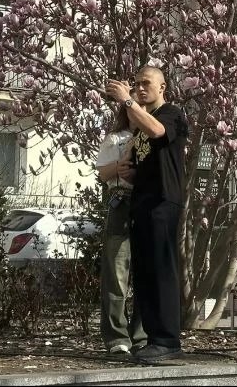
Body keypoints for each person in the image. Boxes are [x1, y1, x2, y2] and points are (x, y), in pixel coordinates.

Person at [107, 66, 189, 363]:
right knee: (144, 274)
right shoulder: (140, 125)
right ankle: (155, 339)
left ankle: (168, 340)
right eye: (136, 84)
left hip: (163, 202)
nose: (140, 88)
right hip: (142, 204)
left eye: (146, 83)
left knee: (161, 270)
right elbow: (147, 159)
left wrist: (126, 100)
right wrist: (130, 173)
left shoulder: (171, 114)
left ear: (162, 87)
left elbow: (157, 131)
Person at [94, 107, 147, 355]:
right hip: (122, 202)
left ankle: (142, 335)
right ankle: (116, 336)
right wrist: (120, 165)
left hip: (146, 204)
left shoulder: (153, 136)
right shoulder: (114, 139)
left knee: (146, 273)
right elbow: (102, 173)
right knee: (116, 271)